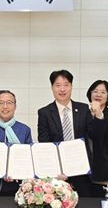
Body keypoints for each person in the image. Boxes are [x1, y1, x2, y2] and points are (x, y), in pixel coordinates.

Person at [37, 69, 100, 197]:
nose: (62, 89)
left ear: (71, 86)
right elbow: (44, 142)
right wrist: (55, 168)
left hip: (81, 170)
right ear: (52, 87)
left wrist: (98, 116)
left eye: (66, 85)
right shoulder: (45, 113)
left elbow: (94, 135)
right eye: (58, 85)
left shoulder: (83, 109)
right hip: (57, 174)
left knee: (84, 205)